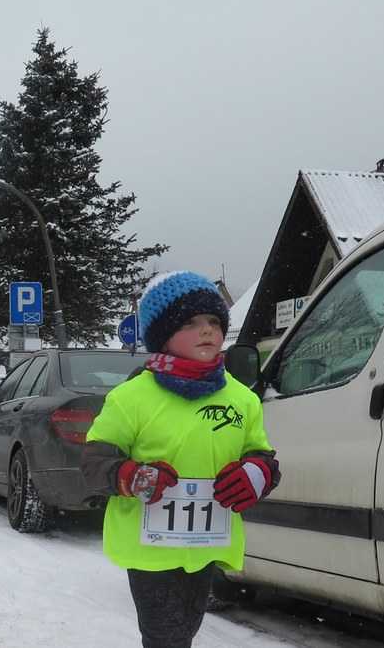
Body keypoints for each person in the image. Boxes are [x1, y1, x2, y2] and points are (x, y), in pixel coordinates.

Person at [80, 271, 280, 648]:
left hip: (207, 541)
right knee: (165, 635)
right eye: (189, 322)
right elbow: (94, 461)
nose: (207, 330)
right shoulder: (132, 398)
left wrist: (257, 473)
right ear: (162, 335)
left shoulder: (242, 399)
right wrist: (131, 476)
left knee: (185, 630)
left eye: (214, 322)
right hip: (148, 544)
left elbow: (261, 455)